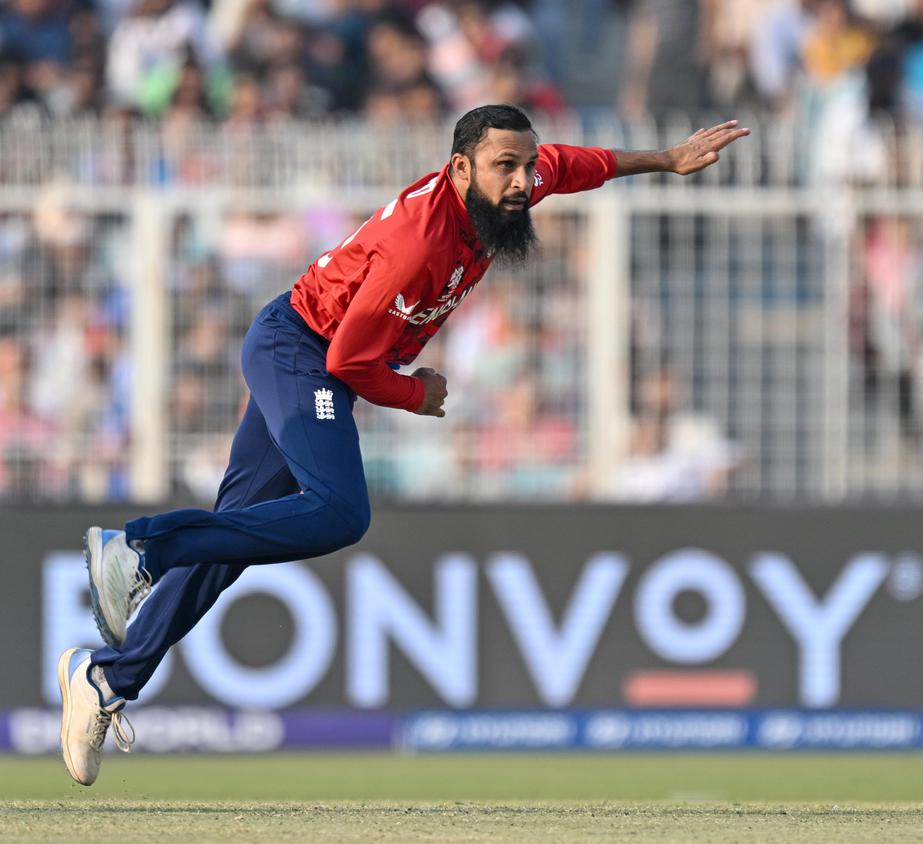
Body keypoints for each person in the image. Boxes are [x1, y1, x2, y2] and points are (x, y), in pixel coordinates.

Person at [57, 104, 749, 785]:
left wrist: (666, 159)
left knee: (234, 542)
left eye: (525, 167)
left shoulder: (507, 186)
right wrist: (419, 394)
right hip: (304, 351)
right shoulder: (420, 242)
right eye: (506, 167)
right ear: (459, 168)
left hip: (308, 353)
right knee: (338, 511)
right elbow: (349, 363)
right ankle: (140, 547)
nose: (522, 182)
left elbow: (575, 166)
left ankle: (107, 675)